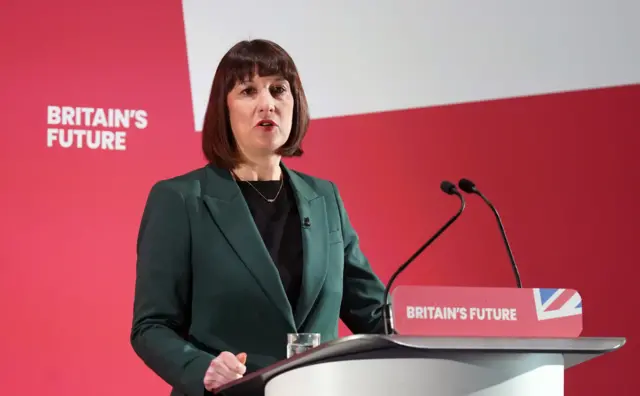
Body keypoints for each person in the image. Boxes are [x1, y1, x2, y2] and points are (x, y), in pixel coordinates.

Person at [130, 39, 386, 396]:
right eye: (249, 91)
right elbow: (151, 326)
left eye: (278, 90)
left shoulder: (324, 197)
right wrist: (203, 369)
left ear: (295, 104)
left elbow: (373, 312)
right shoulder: (180, 199)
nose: (267, 103)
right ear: (224, 108)